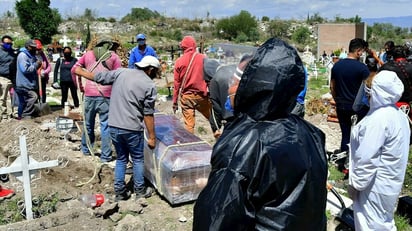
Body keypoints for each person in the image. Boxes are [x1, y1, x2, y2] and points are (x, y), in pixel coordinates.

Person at [193, 38, 328, 230]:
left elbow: (216, 220)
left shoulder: (243, 144)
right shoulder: (312, 134)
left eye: (236, 81)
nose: (230, 88)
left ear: (252, 85)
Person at [74, 55, 159, 201]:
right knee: (138, 159)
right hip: (132, 128)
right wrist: (152, 137)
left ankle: (119, 192)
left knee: (121, 159)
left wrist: (80, 72)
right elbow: (148, 114)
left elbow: (99, 77)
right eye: (155, 72)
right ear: (150, 70)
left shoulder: (121, 72)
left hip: (114, 126)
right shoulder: (149, 85)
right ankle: (140, 191)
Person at [348, 70, 410, 230]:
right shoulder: (398, 115)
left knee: (370, 225)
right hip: (389, 182)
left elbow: (367, 158)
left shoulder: (378, 120)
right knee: (383, 223)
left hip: (373, 186)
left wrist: (355, 185)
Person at [71, 35, 122, 163]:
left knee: (88, 124)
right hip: (106, 96)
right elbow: (119, 77)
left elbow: (74, 69)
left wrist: (80, 86)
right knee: (105, 126)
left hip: (89, 95)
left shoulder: (87, 55)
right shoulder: (114, 57)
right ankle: (105, 156)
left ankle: (86, 150)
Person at [330, 38, 369, 171]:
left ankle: (342, 163)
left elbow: (332, 86)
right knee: (359, 136)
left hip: (341, 105)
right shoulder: (362, 68)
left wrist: (337, 99)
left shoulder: (337, 65)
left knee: (345, 134)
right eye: (362, 51)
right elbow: (368, 89)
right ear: (358, 51)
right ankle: (355, 164)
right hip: (358, 107)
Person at [172, 36, 211, 133]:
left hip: (187, 97)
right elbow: (210, 77)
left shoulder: (179, 62)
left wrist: (175, 102)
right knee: (213, 119)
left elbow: (176, 84)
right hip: (202, 96)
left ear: (183, 47)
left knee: (189, 125)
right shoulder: (203, 58)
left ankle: (190, 145)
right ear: (194, 45)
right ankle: (220, 139)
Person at [208, 55, 252, 138]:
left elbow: (215, 107)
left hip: (229, 120)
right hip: (246, 117)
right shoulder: (238, 70)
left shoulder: (215, 79)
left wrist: (215, 127)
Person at [15, 39, 42, 119]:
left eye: (35, 47)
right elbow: (25, 70)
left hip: (30, 83)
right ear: (27, 47)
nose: (34, 49)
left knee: (23, 102)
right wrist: (36, 64)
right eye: (32, 47)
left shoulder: (31, 55)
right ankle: (25, 115)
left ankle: (22, 116)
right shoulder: (23, 55)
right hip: (23, 83)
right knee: (33, 97)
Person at [0, 35, 16, 120]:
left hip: (13, 78)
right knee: (3, 97)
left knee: (14, 97)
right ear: (2, 43)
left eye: (10, 43)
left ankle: (14, 113)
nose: (9, 45)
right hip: (2, 78)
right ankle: (4, 114)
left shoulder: (12, 52)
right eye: (7, 43)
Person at [34, 39, 51, 104]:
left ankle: (43, 103)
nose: (38, 51)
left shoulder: (43, 56)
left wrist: (45, 72)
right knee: (36, 93)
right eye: (37, 49)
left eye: (39, 49)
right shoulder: (32, 56)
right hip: (35, 78)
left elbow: (49, 66)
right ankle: (36, 105)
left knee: (43, 92)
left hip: (43, 77)